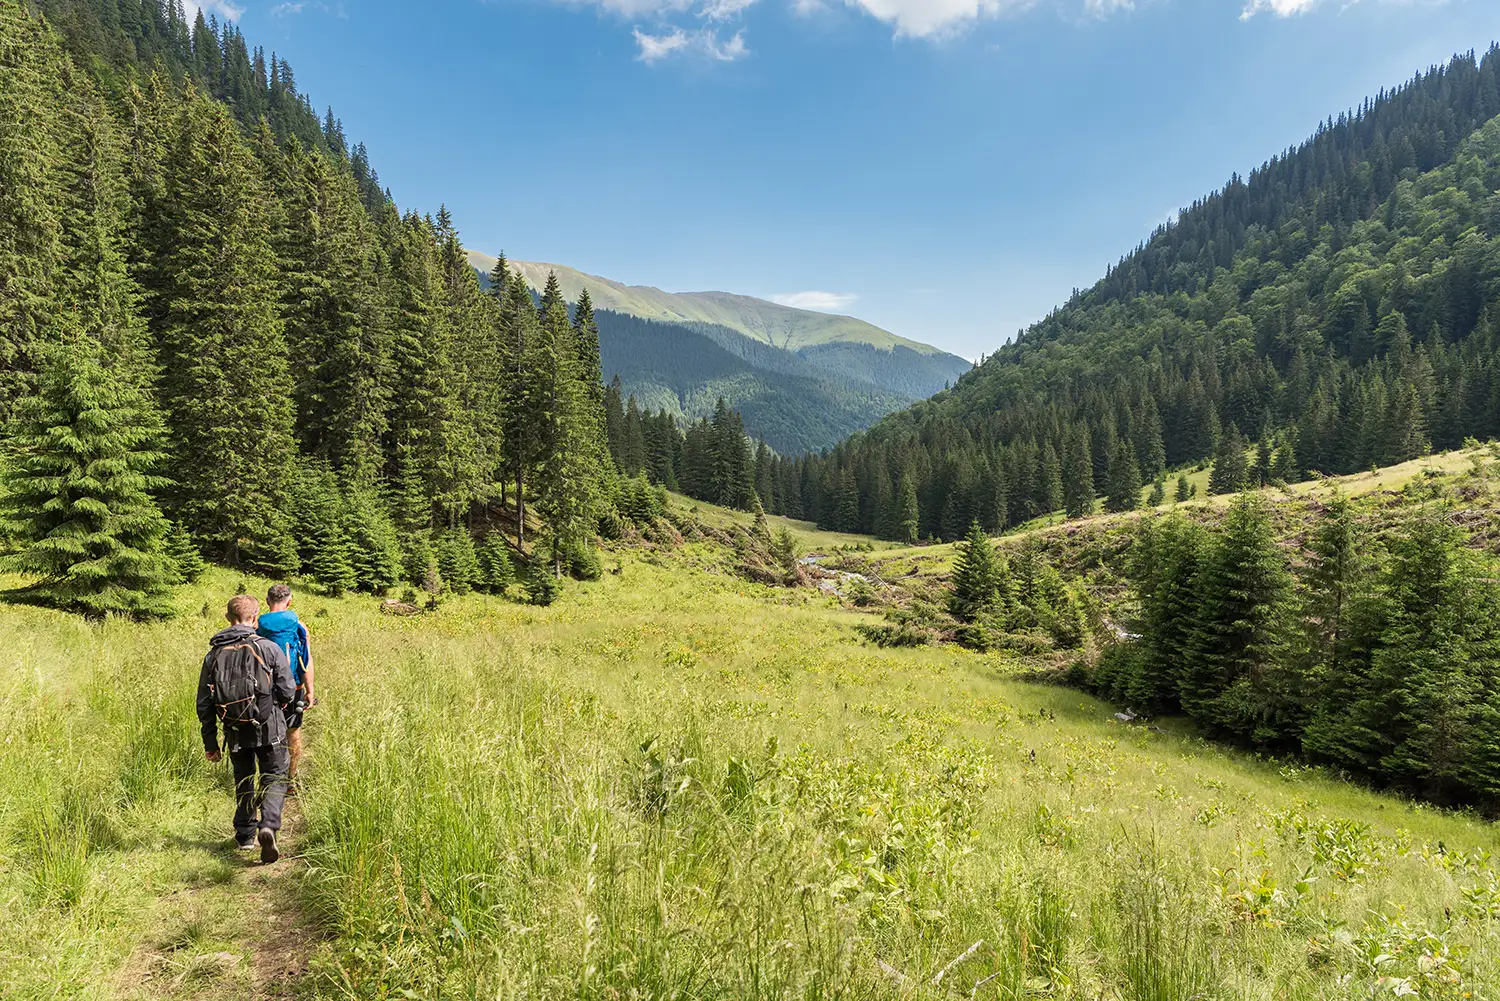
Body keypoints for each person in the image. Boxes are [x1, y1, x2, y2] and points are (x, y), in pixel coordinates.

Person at [196, 594, 296, 863]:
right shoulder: (268, 647)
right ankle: (269, 825)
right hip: (270, 725)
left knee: (243, 778)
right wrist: (279, 705)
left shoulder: (214, 654)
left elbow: (204, 703)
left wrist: (210, 743)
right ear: (255, 618)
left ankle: (245, 836)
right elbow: (287, 689)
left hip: (234, 729)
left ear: (228, 618)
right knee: (275, 775)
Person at [256, 584, 315, 792]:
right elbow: (305, 661)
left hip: (264, 689)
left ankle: (268, 780)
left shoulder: (257, 626)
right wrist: (310, 691)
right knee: (293, 732)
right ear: (289, 601)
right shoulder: (298, 626)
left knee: (265, 734)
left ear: (267, 601)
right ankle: (290, 780)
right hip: (294, 687)